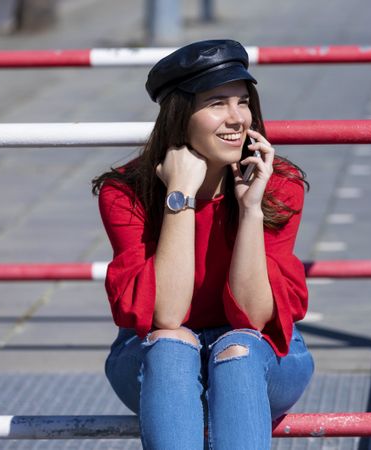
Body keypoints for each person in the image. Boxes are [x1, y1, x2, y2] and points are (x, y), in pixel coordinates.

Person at [92, 39, 314, 450]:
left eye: (242, 102)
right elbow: (168, 314)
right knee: (171, 346)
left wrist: (250, 209)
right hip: (152, 355)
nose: (237, 119)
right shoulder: (126, 192)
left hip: (261, 354)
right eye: (216, 103)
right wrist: (180, 195)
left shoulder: (277, 184)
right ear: (181, 115)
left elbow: (252, 317)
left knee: (237, 351)